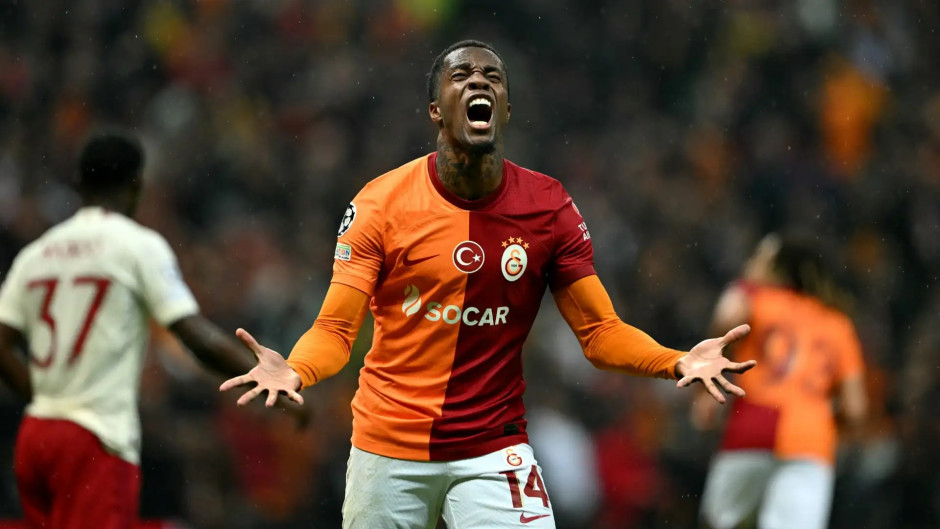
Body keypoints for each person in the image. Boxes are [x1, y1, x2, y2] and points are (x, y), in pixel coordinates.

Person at [221, 40, 755, 529]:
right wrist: (297, 367)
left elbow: (600, 333)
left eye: (492, 76)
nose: (479, 80)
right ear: (436, 110)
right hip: (388, 447)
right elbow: (336, 330)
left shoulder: (548, 207)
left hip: (493, 448)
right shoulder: (380, 204)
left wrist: (676, 360)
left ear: (506, 108)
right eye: (461, 75)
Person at [0, 131, 296, 529]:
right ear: (137, 185)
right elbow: (194, 335)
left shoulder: (36, 254)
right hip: (95, 435)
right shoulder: (136, 245)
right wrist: (264, 375)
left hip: (36, 436)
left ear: (79, 184)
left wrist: (44, 398)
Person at [694, 234, 868, 529]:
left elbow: (723, 323)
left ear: (776, 268)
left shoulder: (755, 299)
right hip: (811, 441)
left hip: (753, 424)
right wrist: (820, 423)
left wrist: (703, 392)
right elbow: (855, 408)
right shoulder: (838, 324)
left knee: (719, 522)